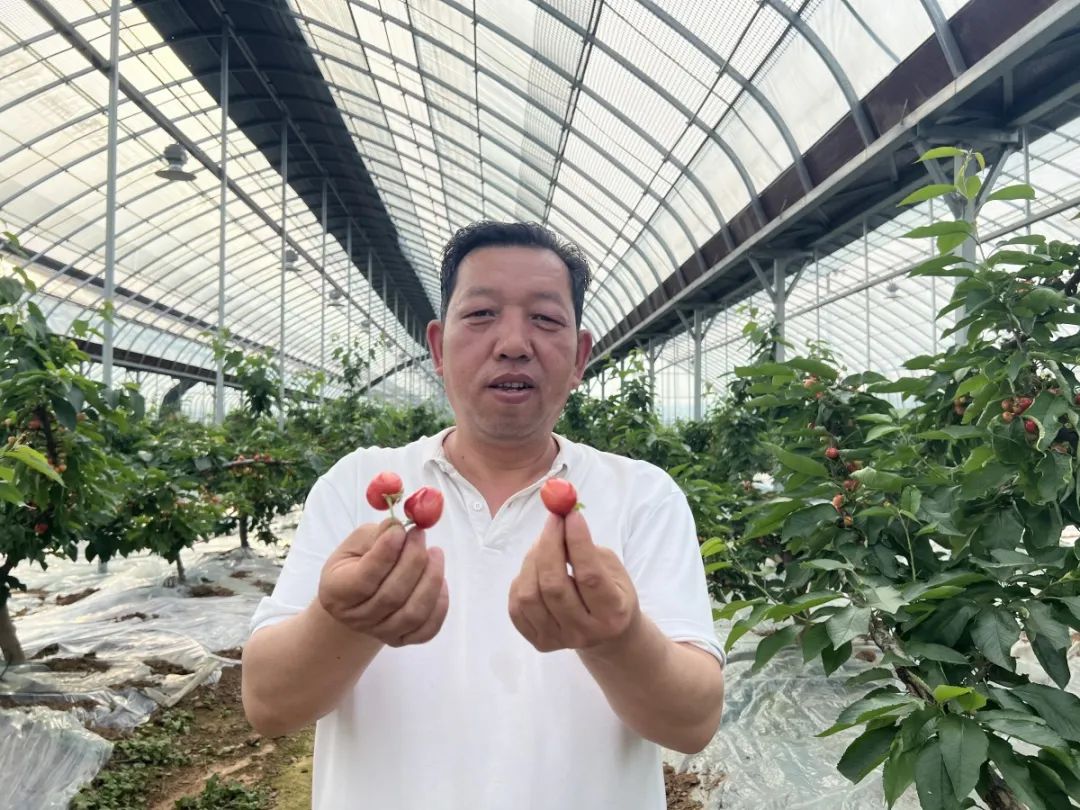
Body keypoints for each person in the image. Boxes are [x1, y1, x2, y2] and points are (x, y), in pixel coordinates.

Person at [242, 221, 726, 809]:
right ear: (438, 348)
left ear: (580, 356)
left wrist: (618, 640)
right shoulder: (361, 487)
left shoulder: (643, 496)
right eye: (481, 315)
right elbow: (268, 705)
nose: (514, 343)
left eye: (545, 318)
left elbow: (692, 723)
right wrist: (346, 619)